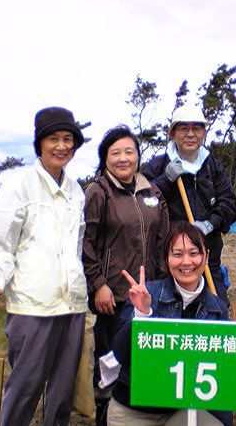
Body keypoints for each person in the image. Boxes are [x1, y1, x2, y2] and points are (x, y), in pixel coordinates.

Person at [0, 106, 88, 426]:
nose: (62, 146)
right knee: (25, 385)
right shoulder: (19, 185)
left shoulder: (76, 190)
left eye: (69, 139)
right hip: (32, 304)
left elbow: (76, 245)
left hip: (72, 304)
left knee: (62, 391)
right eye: (54, 138)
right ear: (40, 143)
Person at [82, 125, 170, 425]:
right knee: (110, 364)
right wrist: (99, 285)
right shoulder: (98, 191)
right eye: (115, 152)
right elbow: (86, 243)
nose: (123, 158)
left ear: (137, 155)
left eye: (129, 151)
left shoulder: (152, 190)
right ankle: (106, 418)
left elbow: (164, 237)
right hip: (114, 296)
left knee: (143, 363)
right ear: (105, 158)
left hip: (149, 294)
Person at [108, 222, 232, 426]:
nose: (186, 262)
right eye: (177, 254)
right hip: (134, 410)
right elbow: (120, 354)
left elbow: (222, 376)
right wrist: (141, 315)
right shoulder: (146, 294)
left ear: (206, 257)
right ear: (166, 259)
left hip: (183, 411)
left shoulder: (217, 308)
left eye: (194, 253)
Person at [142, 105, 236, 305]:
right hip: (169, 261)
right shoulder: (157, 166)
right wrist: (165, 180)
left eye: (197, 129)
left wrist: (209, 224)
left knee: (216, 309)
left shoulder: (212, 166)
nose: (190, 134)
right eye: (183, 129)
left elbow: (230, 204)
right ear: (172, 133)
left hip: (206, 258)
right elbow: (143, 205)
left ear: (204, 132)